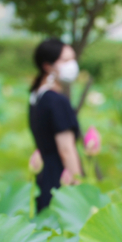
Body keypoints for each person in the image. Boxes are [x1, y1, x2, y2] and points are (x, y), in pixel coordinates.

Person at [28, 38, 83, 211]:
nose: (72, 65)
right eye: (66, 60)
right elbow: (66, 150)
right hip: (60, 178)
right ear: (47, 66)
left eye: (73, 59)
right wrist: (78, 185)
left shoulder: (36, 96)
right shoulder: (56, 101)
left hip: (43, 176)